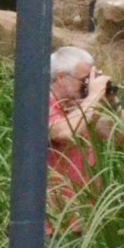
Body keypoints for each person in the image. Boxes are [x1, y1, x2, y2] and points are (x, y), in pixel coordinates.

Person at [46, 46, 113, 212]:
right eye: (84, 80)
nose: (87, 86)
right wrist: (93, 96)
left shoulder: (81, 107)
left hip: (84, 214)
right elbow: (65, 132)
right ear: (61, 78)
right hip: (53, 221)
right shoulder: (41, 104)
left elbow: (118, 135)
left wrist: (112, 99)